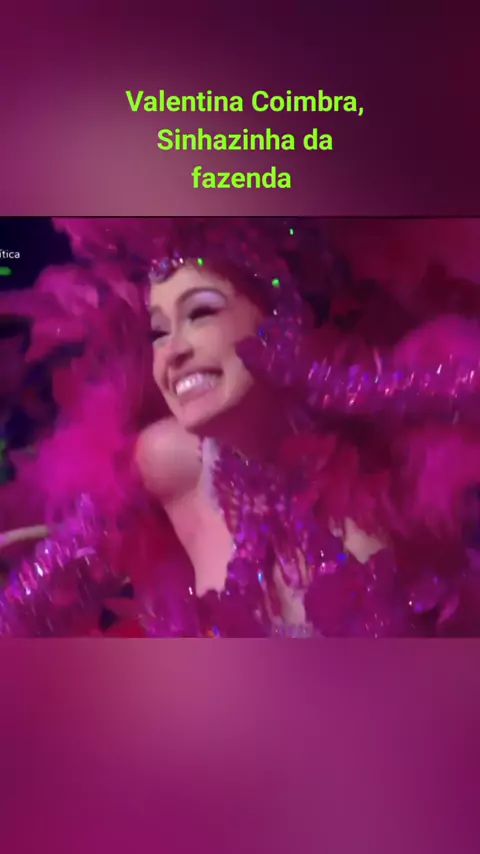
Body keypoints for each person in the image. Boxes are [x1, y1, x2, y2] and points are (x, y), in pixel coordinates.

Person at [1, 216, 480, 638]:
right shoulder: (169, 464)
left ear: (282, 320)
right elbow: (26, 616)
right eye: (159, 331)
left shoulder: (394, 459)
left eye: (200, 312)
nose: (173, 351)